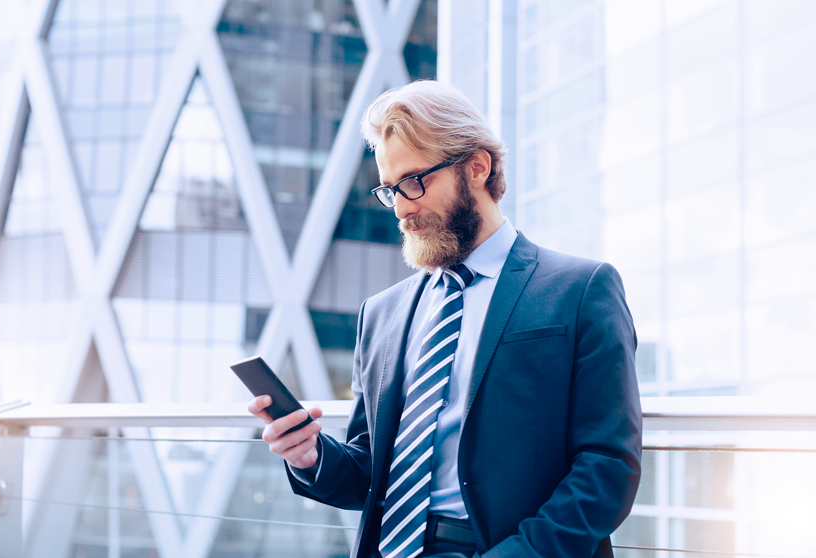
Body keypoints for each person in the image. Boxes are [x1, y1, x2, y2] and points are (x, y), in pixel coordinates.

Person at [248, 80, 642, 558]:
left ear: (477, 167)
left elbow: (607, 468)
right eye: (390, 190)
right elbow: (370, 473)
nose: (402, 207)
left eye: (415, 181)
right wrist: (310, 456)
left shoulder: (581, 290)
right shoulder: (382, 314)